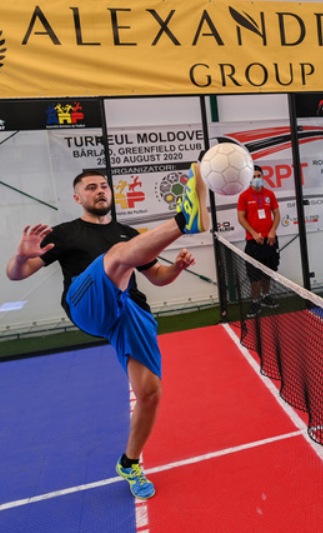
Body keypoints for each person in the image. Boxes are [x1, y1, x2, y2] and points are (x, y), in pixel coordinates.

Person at [6, 165, 210, 500]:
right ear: (77, 198)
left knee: (150, 393)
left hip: (129, 311)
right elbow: (17, 274)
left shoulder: (128, 234)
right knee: (115, 257)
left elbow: (157, 277)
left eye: (103, 186)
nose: (100, 191)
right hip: (87, 305)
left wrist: (175, 268)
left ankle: (129, 463)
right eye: (91, 187)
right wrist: (19, 257)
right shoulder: (64, 233)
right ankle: (183, 219)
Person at [237, 164, 281, 313]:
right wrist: (254, 233)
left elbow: (277, 214)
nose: (256, 179)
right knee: (254, 274)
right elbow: (241, 218)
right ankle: (255, 301)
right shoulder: (244, 196)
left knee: (268, 271)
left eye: (258, 176)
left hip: (270, 240)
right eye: (253, 177)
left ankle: (266, 296)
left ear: (263, 177)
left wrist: (272, 231)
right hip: (253, 241)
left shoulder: (270, 194)